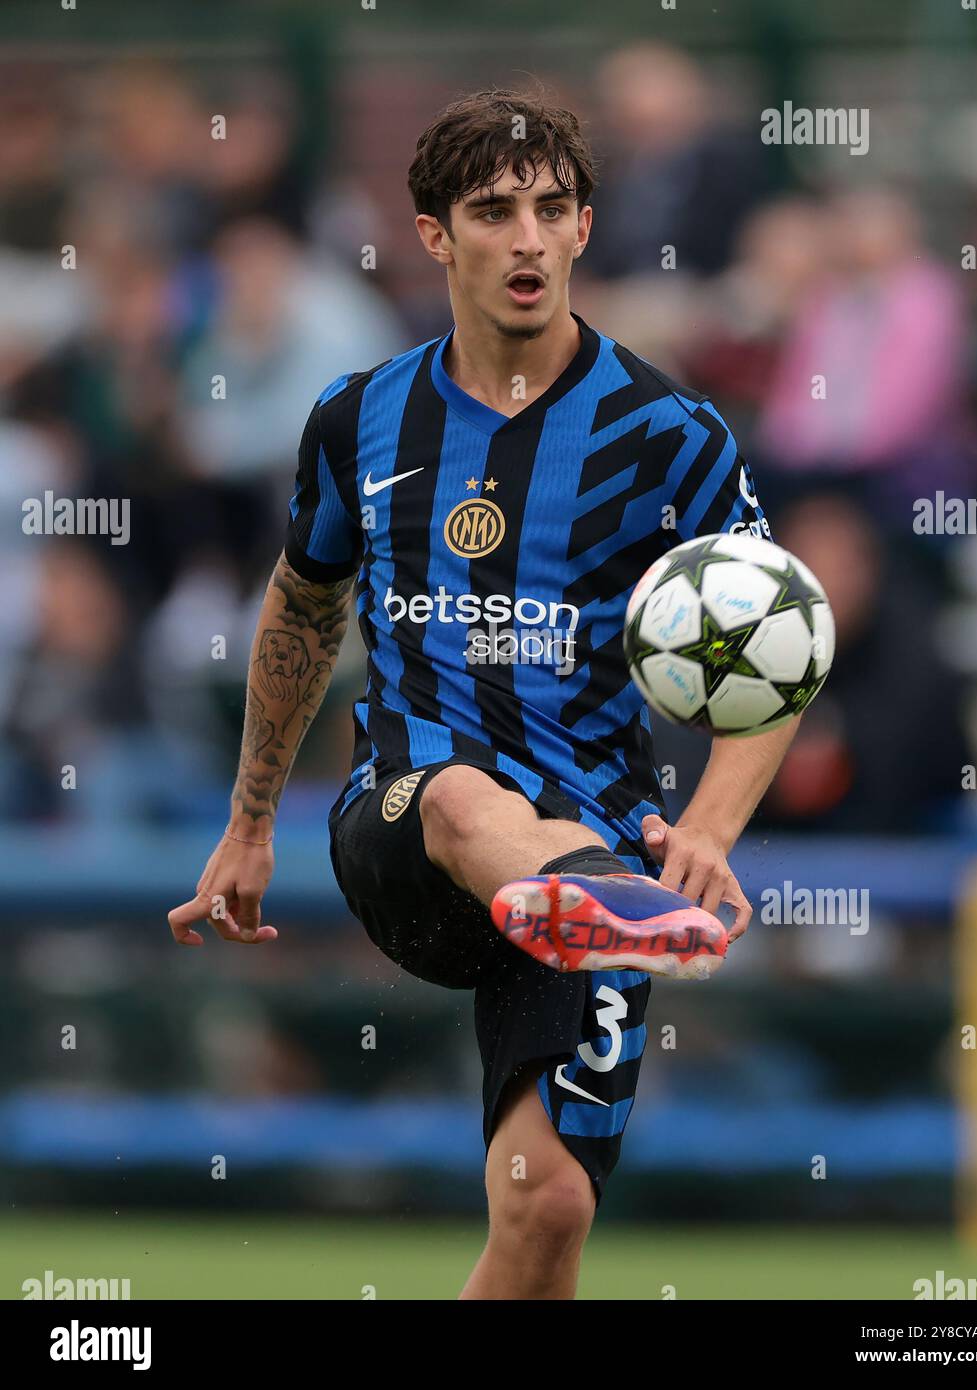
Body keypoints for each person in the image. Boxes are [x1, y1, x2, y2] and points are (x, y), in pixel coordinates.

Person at [168, 89, 800, 1300]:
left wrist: (709, 830)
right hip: (408, 829)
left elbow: (774, 646)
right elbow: (303, 609)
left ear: (582, 229)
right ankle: (580, 893)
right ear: (432, 235)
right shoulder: (359, 417)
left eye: (550, 210)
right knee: (457, 794)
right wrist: (250, 824)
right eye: (492, 210)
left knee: (544, 1212)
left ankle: (584, 891)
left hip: (605, 845)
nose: (524, 237)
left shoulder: (671, 435)